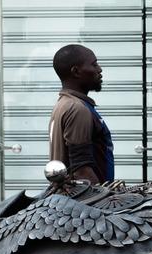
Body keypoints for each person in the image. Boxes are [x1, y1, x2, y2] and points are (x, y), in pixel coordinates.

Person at [49, 44, 114, 184]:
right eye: (94, 64)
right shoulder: (77, 109)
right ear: (76, 71)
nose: (99, 69)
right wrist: (103, 198)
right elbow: (81, 171)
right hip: (84, 202)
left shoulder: (64, 104)